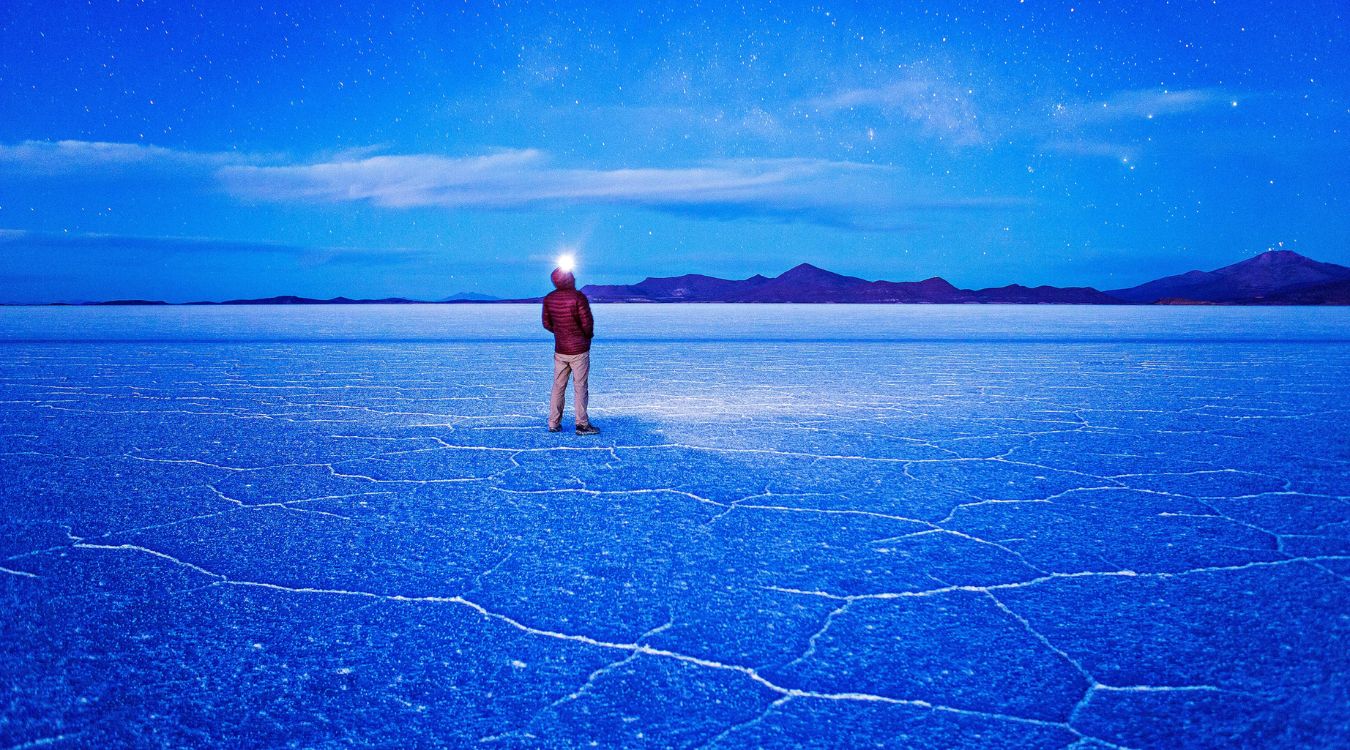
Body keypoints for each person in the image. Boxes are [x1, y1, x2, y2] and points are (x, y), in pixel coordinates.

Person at [542, 266, 599, 434]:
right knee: (580, 386)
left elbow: (547, 323)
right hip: (579, 350)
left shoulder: (549, 299)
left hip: (560, 350)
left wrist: (561, 333)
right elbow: (587, 324)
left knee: (558, 386)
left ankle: (553, 423)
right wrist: (585, 336)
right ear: (569, 279)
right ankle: (582, 424)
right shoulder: (578, 297)